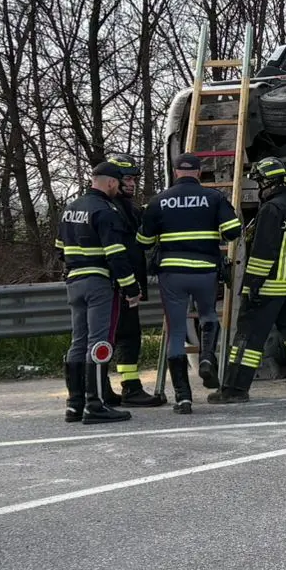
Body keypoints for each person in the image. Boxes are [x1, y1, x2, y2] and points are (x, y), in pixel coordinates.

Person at [210, 156, 286, 404]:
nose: (259, 187)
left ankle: (235, 390)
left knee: (248, 338)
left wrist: (251, 284)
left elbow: (264, 251)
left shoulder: (272, 210)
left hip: (268, 286)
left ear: (268, 182)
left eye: (260, 181)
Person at [139, 151, 242, 414]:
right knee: (208, 315)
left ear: (175, 173)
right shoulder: (214, 197)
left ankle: (183, 398)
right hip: (205, 271)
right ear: (198, 172)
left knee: (175, 332)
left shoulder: (159, 201)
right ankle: (207, 357)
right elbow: (232, 232)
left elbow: (144, 242)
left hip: (172, 274)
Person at [57, 160, 139, 424]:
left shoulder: (69, 209)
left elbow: (60, 249)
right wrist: (130, 286)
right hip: (98, 283)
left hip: (74, 282)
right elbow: (116, 254)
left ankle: (74, 404)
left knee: (78, 342)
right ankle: (96, 404)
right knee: (99, 343)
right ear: (112, 182)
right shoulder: (105, 211)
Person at [103, 154, 164, 408]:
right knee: (123, 335)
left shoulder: (125, 207)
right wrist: (128, 285)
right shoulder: (112, 208)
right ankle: (129, 388)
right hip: (118, 284)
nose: (132, 184)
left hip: (121, 283)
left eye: (134, 179)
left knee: (121, 334)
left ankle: (103, 387)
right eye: (127, 178)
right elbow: (118, 251)